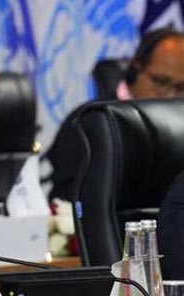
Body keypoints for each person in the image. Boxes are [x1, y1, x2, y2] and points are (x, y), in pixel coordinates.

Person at [48, 28, 184, 200]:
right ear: (135, 70)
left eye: (181, 88)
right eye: (162, 82)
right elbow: (67, 200)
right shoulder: (91, 122)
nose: (171, 95)